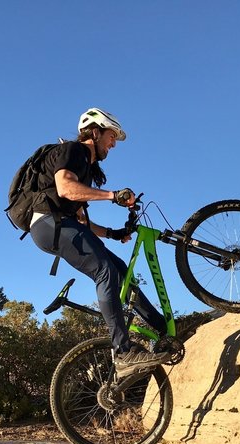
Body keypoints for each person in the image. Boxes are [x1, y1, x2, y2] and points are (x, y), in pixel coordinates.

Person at [29, 108, 173, 378]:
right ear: (94, 132)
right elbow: (64, 189)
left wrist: (114, 233)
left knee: (119, 271)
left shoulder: (86, 168)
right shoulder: (74, 150)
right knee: (104, 270)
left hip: (61, 225)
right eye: (111, 135)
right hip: (49, 224)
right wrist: (112, 195)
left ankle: (163, 329)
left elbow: (83, 223)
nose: (114, 143)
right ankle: (123, 352)